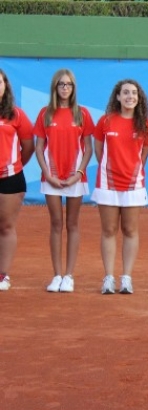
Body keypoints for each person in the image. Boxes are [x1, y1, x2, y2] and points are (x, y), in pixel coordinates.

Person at [33, 69, 94, 293]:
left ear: (74, 88)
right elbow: (39, 148)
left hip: (75, 178)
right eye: (61, 84)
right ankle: (57, 275)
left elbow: (88, 149)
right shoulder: (45, 114)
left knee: (72, 224)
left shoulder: (83, 114)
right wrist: (48, 174)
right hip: (51, 178)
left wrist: (78, 173)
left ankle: (69, 275)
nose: (65, 88)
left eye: (69, 84)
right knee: (56, 224)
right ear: (55, 88)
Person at [92, 79, 148, 295]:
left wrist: (132, 172)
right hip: (107, 184)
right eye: (125, 92)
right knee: (108, 230)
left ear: (139, 98)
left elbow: (144, 154)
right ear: (118, 97)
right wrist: (111, 170)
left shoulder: (145, 124)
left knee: (130, 230)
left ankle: (126, 278)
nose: (130, 96)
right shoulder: (105, 121)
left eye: (134, 93)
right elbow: (99, 151)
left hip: (133, 185)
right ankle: (108, 278)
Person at [0, 68, 35, 291]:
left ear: (5, 87)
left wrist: (11, 166)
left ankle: (2, 275)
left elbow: (28, 146)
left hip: (9, 179)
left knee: (6, 226)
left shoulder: (16, 114)